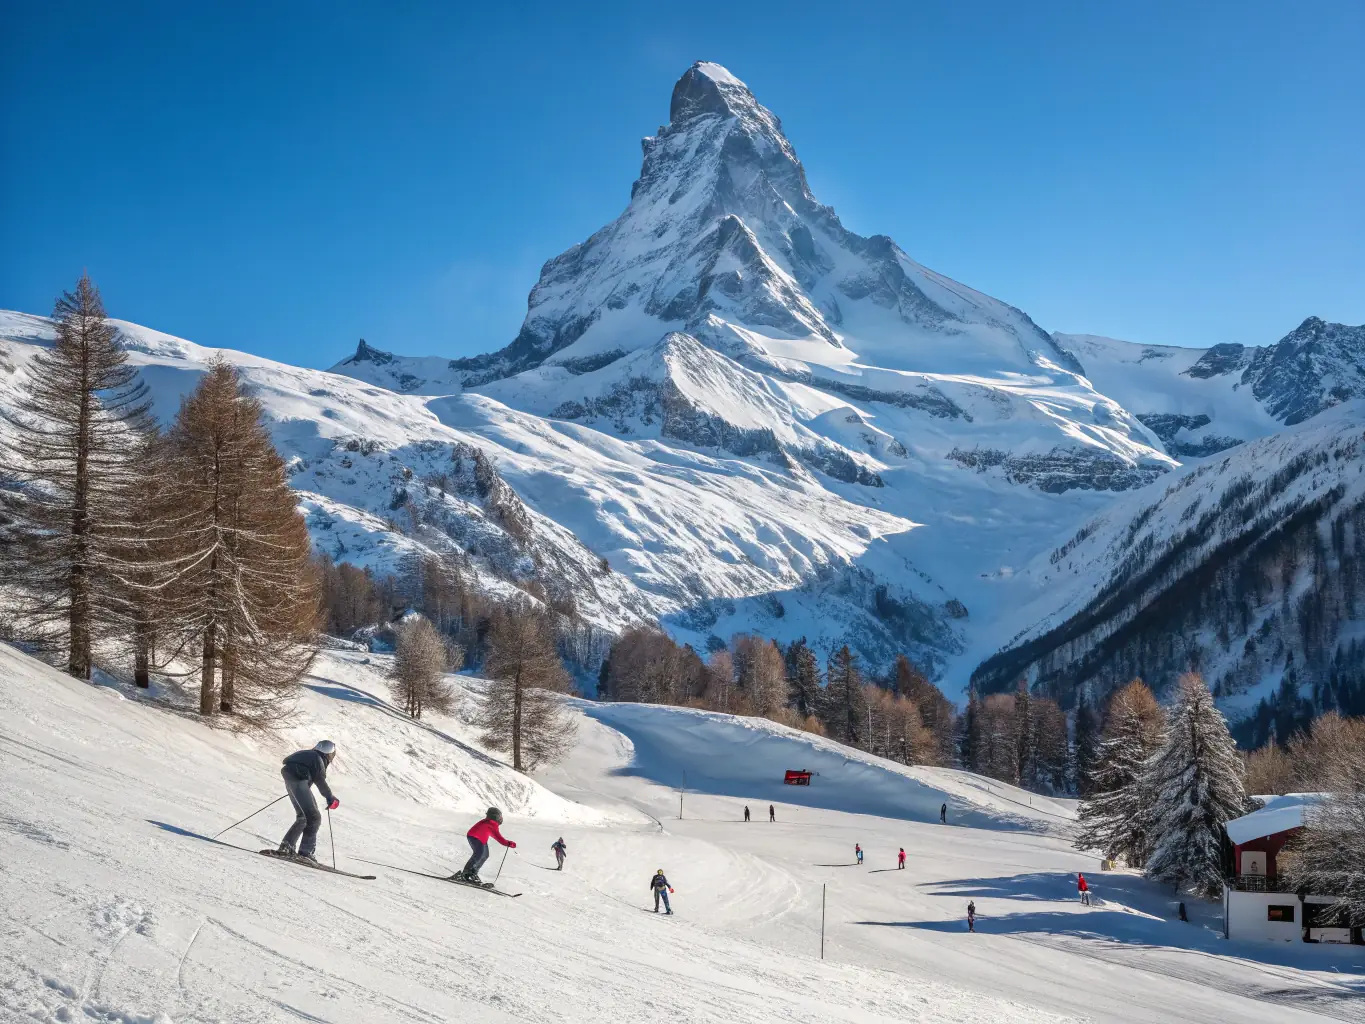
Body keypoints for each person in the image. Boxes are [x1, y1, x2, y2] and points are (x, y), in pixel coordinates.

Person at [277, 740, 339, 864]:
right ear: (328, 754)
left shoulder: (307, 754)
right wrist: (330, 798)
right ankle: (305, 853)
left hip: (292, 779)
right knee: (314, 818)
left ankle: (286, 847)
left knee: (303, 817)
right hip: (299, 782)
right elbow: (320, 781)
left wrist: (295, 786)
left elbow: (290, 765)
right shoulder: (318, 759)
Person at [455, 807, 516, 883]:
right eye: (500, 816)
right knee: (479, 854)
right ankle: (466, 873)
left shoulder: (488, 822)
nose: (501, 818)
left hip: (479, 839)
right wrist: (509, 843)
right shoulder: (491, 824)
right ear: (496, 816)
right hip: (475, 837)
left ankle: (472, 873)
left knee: (485, 855)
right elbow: (500, 839)